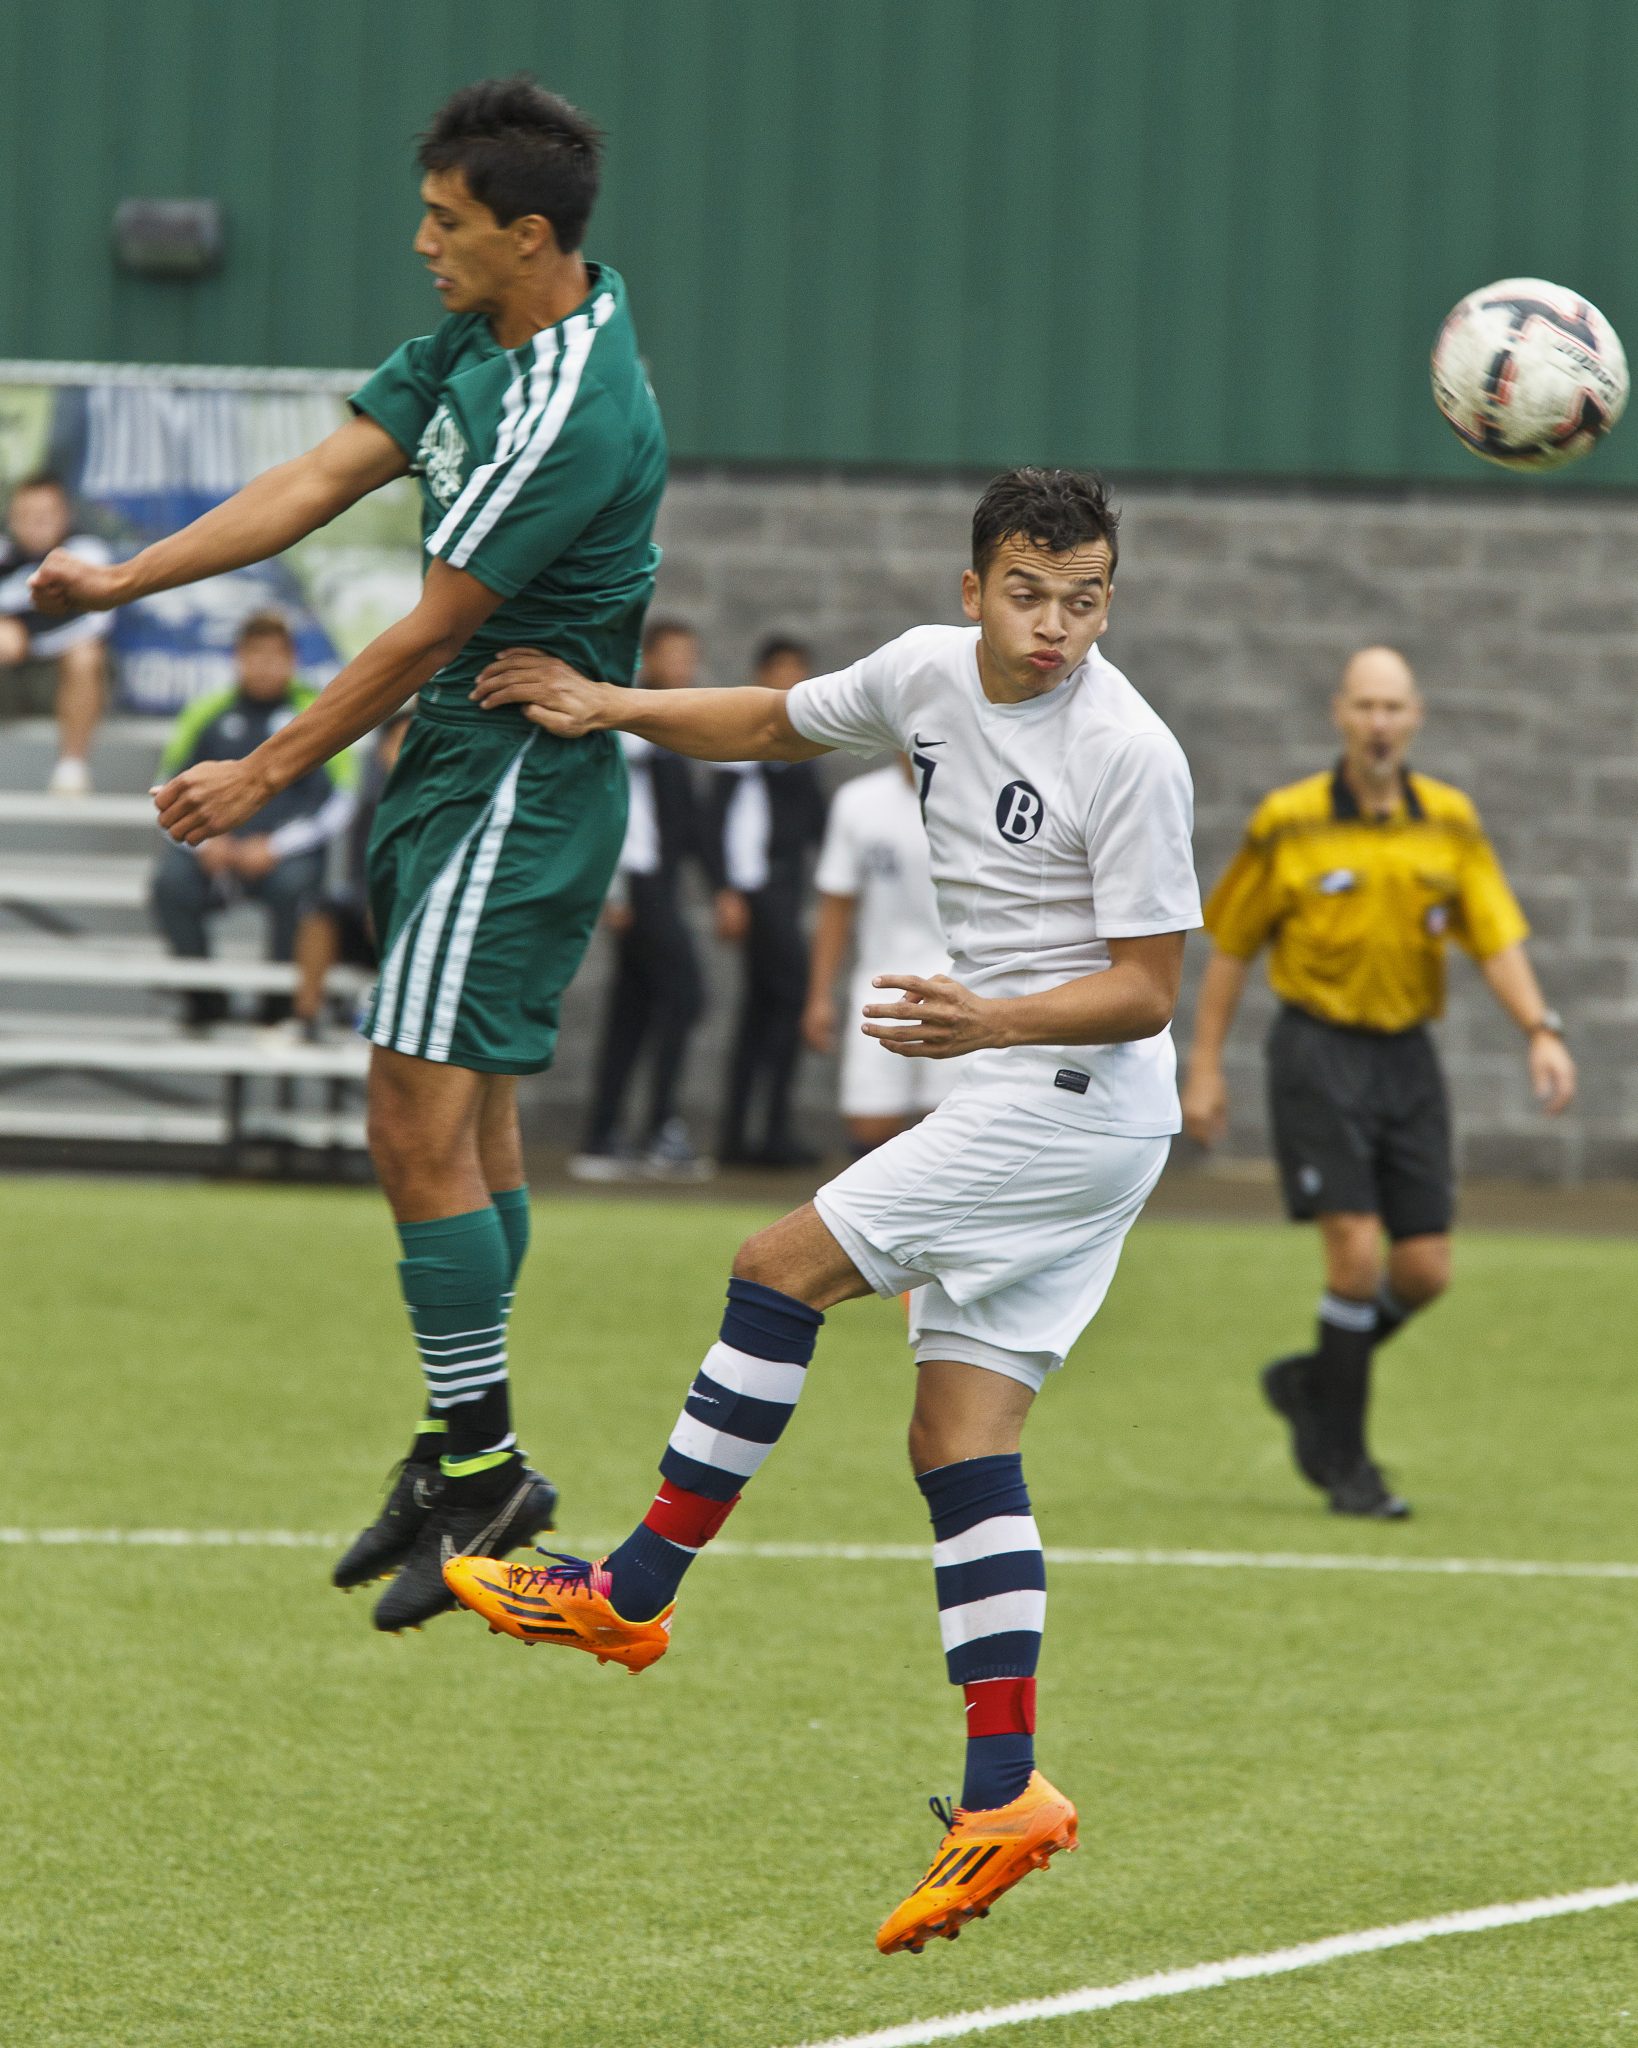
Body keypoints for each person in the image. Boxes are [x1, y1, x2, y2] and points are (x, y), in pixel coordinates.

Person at [446, 468, 1201, 1956]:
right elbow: (767, 726)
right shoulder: (925, 673)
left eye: (1088, 597)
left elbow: (1146, 990)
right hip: (1024, 1096)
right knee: (957, 1438)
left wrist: (986, 1026)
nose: (1058, 628)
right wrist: (610, 704)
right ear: (974, 583)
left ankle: (629, 1588)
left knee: (772, 1267)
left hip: (1069, 1101)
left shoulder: (1131, 748)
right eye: (1032, 593)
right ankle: (1004, 1794)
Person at [30, 77, 667, 1631]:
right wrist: (123, 582)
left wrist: (262, 766)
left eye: (445, 224)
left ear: (530, 237)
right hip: (467, 767)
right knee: (472, 1127)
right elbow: (317, 480)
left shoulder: (566, 400)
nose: (417, 243)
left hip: (517, 774)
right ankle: (475, 1452)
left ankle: (482, 1459)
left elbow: (435, 626)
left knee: (405, 1115)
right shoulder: (479, 337)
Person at [1180, 646, 1576, 1519]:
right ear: (1340, 715)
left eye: (1394, 707)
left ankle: (1312, 1381)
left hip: (1407, 1058)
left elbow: (1496, 937)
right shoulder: (1289, 821)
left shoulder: (1451, 822)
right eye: (1365, 706)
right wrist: (1203, 1068)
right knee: (1355, 1254)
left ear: (1417, 716)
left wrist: (1540, 1031)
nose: (1380, 723)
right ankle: (1348, 1466)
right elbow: (1232, 948)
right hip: (1317, 1053)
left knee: (1425, 1269)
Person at [151, 611, 358, 1026]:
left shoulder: (316, 714)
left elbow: (341, 799)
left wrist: (275, 846)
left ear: (292, 659)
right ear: (237, 658)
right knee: (170, 884)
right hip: (216, 847)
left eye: (274, 655)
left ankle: (278, 1005)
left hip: (284, 853)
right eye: (254, 654)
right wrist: (208, 841)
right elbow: (166, 788)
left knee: (296, 887)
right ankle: (204, 1001)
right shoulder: (206, 712)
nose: (264, 665)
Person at [570, 618, 713, 1181]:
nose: (683, 665)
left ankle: (603, 1136)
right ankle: (660, 1129)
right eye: (673, 653)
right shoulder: (624, 718)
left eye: (690, 654)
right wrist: (612, 890)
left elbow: (687, 823)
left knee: (631, 1012)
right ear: (648, 656)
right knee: (686, 994)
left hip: (660, 886)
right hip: (634, 885)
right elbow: (608, 811)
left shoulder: (673, 723)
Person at [803, 754, 963, 1151]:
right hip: (880, 985)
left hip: (960, 985)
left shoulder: (979, 798)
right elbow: (836, 905)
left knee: (949, 1124)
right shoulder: (858, 801)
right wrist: (818, 997)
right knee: (869, 1126)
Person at [711, 635, 829, 1166]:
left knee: (763, 1011)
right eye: (782, 669)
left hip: (785, 888)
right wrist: (729, 890)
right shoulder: (743, 748)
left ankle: (752, 1134)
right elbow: (719, 825)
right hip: (760, 892)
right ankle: (756, 1133)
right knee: (783, 1001)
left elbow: (819, 828)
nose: (791, 679)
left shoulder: (802, 753)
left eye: (799, 670)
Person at [288, 704, 415, 1037]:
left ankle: (400, 1020)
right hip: (370, 907)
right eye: (398, 743)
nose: (404, 753)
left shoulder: (448, 805)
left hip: (419, 912)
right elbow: (359, 872)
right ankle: (306, 1017)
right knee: (319, 908)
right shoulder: (369, 802)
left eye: (414, 743)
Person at [0, 473, 113, 793]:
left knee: (85, 653)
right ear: (12, 518)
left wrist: (23, 633)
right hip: (8, 677)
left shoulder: (86, 553)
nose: (35, 524)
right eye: (26, 516)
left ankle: (71, 768)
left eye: (45, 516)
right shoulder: (5, 555)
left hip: (61, 677)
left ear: (65, 516)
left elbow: (92, 621)